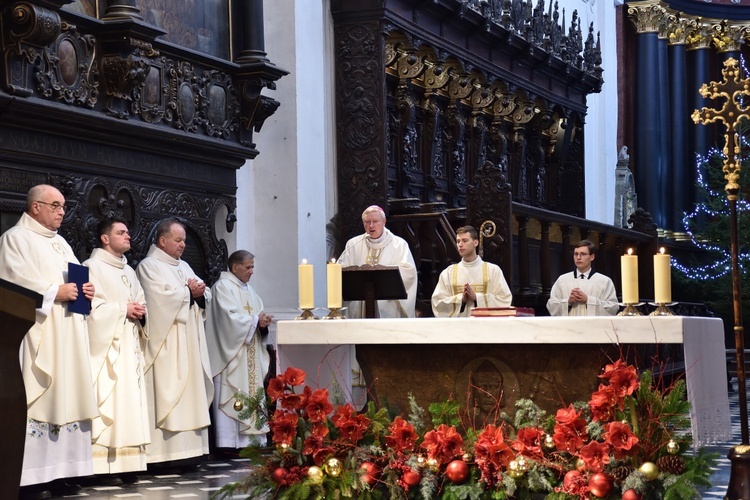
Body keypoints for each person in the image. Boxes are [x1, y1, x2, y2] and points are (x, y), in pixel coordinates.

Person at [0, 184, 98, 497]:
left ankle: (65, 472)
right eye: (55, 205)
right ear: (35, 207)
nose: (61, 212)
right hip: (40, 332)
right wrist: (55, 292)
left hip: (68, 330)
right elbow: (11, 283)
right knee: (42, 397)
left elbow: (74, 279)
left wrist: (85, 292)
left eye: (63, 207)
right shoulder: (14, 239)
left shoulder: (62, 243)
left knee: (69, 394)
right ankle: (32, 476)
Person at [135, 218, 213, 465]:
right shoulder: (149, 266)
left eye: (184, 241)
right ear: (162, 240)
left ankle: (190, 452)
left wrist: (199, 294)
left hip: (188, 341)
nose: (182, 245)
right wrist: (188, 293)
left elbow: (204, 292)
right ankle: (164, 455)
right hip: (166, 345)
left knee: (190, 394)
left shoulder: (184, 266)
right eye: (178, 240)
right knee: (168, 393)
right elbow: (156, 301)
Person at [83, 216, 150, 479]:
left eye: (128, 233)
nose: (128, 236)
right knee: (110, 399)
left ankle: (129, 463)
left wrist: (141, 312)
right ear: (105, 238)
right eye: (121, 232)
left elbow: (140, 301)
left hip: (130, 344)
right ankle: (103, 464)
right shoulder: (91, 266)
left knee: (130, 401)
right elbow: (90, 309)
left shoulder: (129, 271)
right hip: (107, 347)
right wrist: (123, 309)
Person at [205, 250, 273, 450]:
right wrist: (254, 321)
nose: (252, 271)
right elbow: (227, 319)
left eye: (253, 267)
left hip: (248, 351)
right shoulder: (222, 287)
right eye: (248, 267)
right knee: (233, 392)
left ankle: (253, 441)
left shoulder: (249, 291)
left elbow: (256, 315)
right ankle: (230, 442)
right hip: (231, 355)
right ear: (235, 267)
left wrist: (262, 323)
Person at [337, 205, 418, 318]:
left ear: (384, 221)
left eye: (375, 221)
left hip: (387, 305)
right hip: (359, 302)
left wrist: (385, 276)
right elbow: (339, 271)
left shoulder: (399, 244)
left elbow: (408, 272)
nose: (371, 226)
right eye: (367, 221)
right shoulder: (353, 244)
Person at [431, 225, 512, 317]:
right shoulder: (448, 273)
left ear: (475, 243)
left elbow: (504, 300)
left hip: (485, 327)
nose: (460, 244)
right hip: (458, 327)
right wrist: (461, 299)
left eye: (465, 241)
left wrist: (477, 297)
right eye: (458, 241)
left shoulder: (493, 270)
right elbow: (437, 303)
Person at [546, 239, 619, 316]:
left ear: (592, 257)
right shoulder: (562, 280)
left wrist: (588, 300)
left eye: (583, 254)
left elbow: (612, 307)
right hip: (568, 326)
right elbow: (552, 305)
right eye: (576, 254)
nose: (578, 257)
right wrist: (568, 301)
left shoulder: (604, 281)